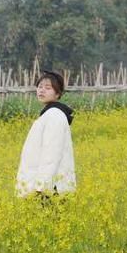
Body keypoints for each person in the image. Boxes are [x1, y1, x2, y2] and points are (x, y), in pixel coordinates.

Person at [15, 70, 76, 199]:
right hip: (46, 188)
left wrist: (41, 187)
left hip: (50, 190)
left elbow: (51, 154)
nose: (41, 91)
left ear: (58, 93)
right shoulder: (50, 114)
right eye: (40, 87)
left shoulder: (54, 115)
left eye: (48, 88)